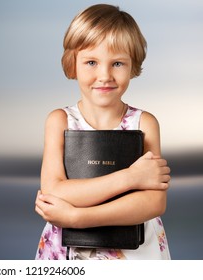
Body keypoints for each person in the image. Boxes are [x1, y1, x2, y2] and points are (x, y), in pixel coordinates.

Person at [34, 4, 171, 260]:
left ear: (133, 66)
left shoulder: (144, 124)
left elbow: (154, 203)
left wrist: (78, 217)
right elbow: (54, 192)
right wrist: (131, 177)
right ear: (72, 64)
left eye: (117, 63)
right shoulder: (60, 121)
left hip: (134, 255)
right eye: (91, 62)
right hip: (70, 252)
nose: (104, 75)